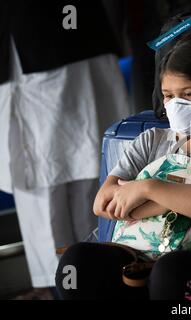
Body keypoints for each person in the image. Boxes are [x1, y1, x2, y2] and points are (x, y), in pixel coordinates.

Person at [55, 34, 191, 300]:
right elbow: (104, 204)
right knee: (78, 262)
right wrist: (186, 196)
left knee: (170, 273)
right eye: (168, 95)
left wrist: (147, 187)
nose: (176, 105)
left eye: (189, 94)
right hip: (142, 256)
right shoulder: (151, 141)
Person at [0, 0, 130, 299]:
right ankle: (70, 281)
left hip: (55, 39)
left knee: (81, 170)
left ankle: (83, 278)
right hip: (37, 41)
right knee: (53, 175)